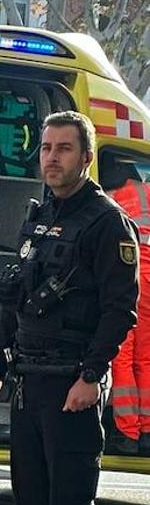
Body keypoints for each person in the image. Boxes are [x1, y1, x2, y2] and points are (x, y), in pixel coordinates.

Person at [0, 111, 138, 505]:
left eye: (63, 149)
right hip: (29, 381)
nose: (51, 158)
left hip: (72, 384)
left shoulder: (107, 224)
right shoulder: (38, 217)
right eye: (46, 148)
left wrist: (91, 375)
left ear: (85, 157)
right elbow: (14, 301)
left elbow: (121, 311)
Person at [103, 162, 150, 454]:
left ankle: (127, 432)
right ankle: (147, 431)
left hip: (131, 279)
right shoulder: (147, 191)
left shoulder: (110, 196)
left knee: (120, 356)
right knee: (145, 359)